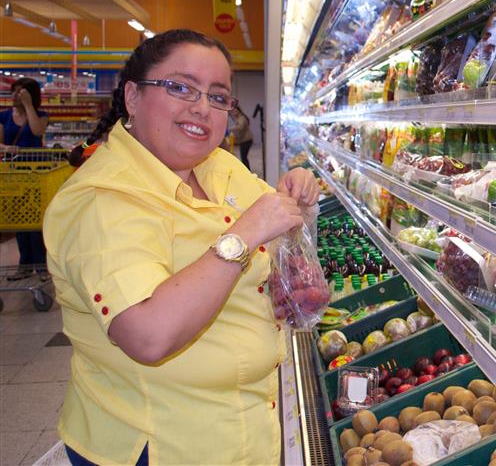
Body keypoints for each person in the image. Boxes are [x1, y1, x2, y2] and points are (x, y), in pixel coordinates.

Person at [43, 29, 319, 465]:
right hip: (162, 445)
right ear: (133, 97)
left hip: (236, 433)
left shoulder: (217, 165)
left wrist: (293, 210)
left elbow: (266, 235)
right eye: (180, 87)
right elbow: (147, 334)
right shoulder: (102, 200)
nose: (201, 107)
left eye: (218, 96)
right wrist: (245, 235)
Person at [2, 77, 50, 280]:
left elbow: (36, 130)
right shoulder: (4, 116)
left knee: (37, 220)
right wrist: (6, 148)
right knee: (19, 219)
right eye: (14, 92)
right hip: (13, 174)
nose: (16, 96)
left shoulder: (41, 115)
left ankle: (40, 266)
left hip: (36, 174)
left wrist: (29, 106)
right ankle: (24, 264)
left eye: (21, 92)